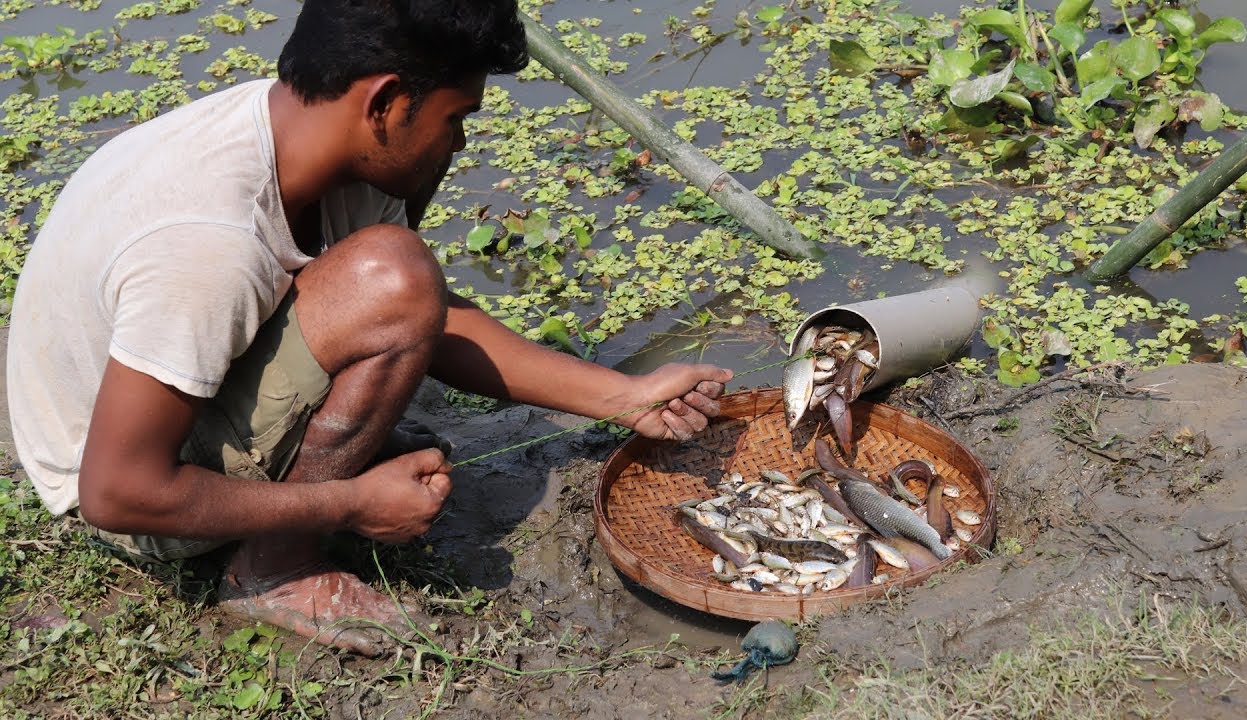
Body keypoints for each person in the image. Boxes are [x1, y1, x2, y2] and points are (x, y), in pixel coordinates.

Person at [6, 0, 731, 657]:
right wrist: (351, 502)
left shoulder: (300, 132)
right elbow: (119, 491)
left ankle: (305, 465)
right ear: (385, 101)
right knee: (396, 273)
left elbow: (429, 321)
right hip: (131, 496)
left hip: (163, 409)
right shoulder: (206, 244)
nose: (461, 145)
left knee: (398, 270)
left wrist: (624, 396)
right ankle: (278, 567)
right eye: (456, 120)